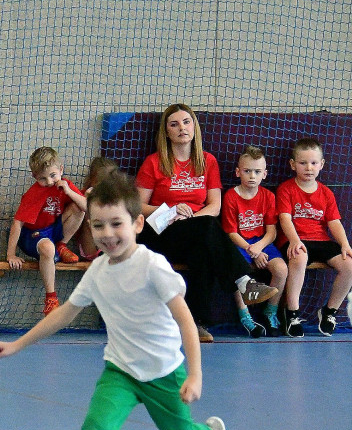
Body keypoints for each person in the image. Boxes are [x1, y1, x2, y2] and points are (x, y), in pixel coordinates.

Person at [0, 171, 230, 430]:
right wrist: (16, 345)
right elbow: (64, 314)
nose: (108, 233)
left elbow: (186, 320)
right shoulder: (98, 270)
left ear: (137, 224)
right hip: (120, 372)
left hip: (164, 372)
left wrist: (195, 374)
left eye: (117, 223)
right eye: (98, 225)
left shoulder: (152, 266)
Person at [135, 103, 277, 342]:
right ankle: (244, 282)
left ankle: (194, 323)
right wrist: (171, 212)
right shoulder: (154, 162)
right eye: (174, 124)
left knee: (204, 251)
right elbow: (137, 206)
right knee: (210, 229)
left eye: (186, 122)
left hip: (195, 229)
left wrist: (189, 216)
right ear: (167, 132)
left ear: (194, 127)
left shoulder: (207, 161)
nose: (182, 128)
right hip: (161, 232)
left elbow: (214, 206)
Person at [276, 138, 352, 337]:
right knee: (299, 257)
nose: (308, 168)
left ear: (322, 164)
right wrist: (294, 240)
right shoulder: (286, 189)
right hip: (295, 240)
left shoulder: (326, 193)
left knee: (349, 264)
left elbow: (334, 222)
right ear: (293, 165)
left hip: (320, 240)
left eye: (313, 163)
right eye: (303, 163)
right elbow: (285, 218)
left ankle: (329, 311)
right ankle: (292, 313)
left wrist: (344, 244)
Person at [5, 147, 87, 316]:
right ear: (35, 177)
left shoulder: (65, 185)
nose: (49, 182)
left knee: (79, 208)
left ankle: (62, 246)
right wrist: (10, 254)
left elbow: (87, 207)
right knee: (48, 249)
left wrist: (69, 192)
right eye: (43, 178)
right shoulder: (34, 193)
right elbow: (18, 223)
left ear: (61, 170)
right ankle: (51, 297)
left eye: (53, 175)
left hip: (52, 231)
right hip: (32, 235)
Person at [220, 145, 287, 337]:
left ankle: (270, 312)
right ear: (238, 172)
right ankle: (245, 317)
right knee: (237, 270)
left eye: (257, 172)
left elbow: (271, 232)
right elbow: (231, 233)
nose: (252, 176)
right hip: (240, 243)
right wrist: (251, 249)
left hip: (261, 243)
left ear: (264, 174)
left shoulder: (268, 196)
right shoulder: (231, 196)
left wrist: (258, 247)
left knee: (281, 270)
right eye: (247, 171)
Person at [76, 156, 119, 262]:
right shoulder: (83, 194)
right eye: (100, 183)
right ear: (92, 180)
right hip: (90, 247)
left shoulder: (117, 197)